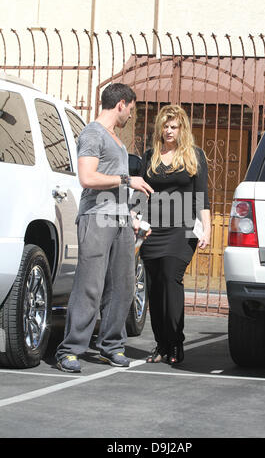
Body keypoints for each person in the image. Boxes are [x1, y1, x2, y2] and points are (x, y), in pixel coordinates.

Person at [55, 83, 153, 373]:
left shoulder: (115, 139)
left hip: (120, 220)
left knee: (122, 288)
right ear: (121, 104)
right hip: (96, 219)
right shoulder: (93, 133)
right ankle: (70, 350)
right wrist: (127, 179)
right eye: (131, 109)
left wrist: (132, 218)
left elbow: (114, 185)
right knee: (90, 286)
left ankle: (111, 346)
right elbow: (87, 177)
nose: (130, 116)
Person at [136, 104, 211, 365]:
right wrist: (137, 222)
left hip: (182, 229)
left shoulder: (194, 156)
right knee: (155, 288)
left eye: (174, 126)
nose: (169, 131)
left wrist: (207, 229)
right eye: (165, 126)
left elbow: (201, 196)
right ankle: (161, 344)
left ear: (182, 129)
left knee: (170, 279)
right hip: (152, 231)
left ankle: (176, 342)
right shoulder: (150, 156)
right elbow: (140, 194)